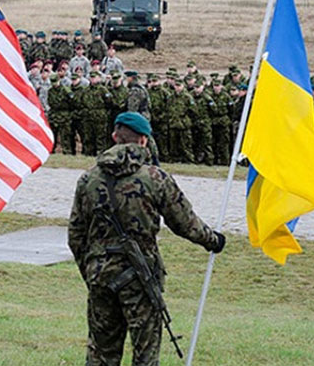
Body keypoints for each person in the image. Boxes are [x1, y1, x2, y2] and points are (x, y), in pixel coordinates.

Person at [68, 111, 225, 366]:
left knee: (101, 352)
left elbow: (76, 235)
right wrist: (213, 240)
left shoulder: (88, 179)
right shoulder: (155, 178)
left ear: (114, 137)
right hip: (139, 277)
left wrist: (91, 270)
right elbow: (186, 223)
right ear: (143, 141)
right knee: (145, 354)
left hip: (100, 275)